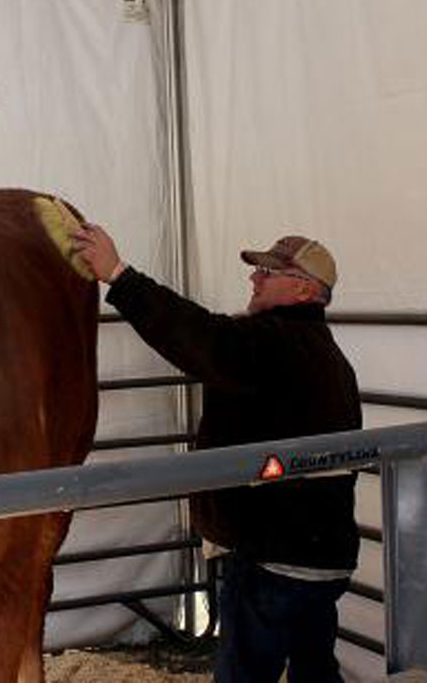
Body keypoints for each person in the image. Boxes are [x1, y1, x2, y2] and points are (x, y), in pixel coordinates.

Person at [71, 227, 361, 683]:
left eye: (269, 272)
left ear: (305, 288)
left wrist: (120, 277)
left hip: (273, 558)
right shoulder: (329, 357)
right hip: (321, 558)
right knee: (315, 670)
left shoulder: (273, 345)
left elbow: (200, 337)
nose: (254, 279)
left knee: (245, 673)